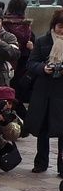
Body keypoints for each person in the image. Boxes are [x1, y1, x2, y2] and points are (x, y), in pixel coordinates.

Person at [25, 9, 63, 176]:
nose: (62, 31)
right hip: (44, 91)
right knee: (43, 129)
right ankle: (41, 162)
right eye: (60, 26)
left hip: (61, 92)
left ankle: (62, 166)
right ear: (53, 26)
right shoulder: (42, 41)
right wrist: (43, 68)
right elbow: (31, 63)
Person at [3, 0, 36, 104]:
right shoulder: (26, 25)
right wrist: (32, 48)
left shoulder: (4, 23)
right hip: (21, 62)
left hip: (8, 62)